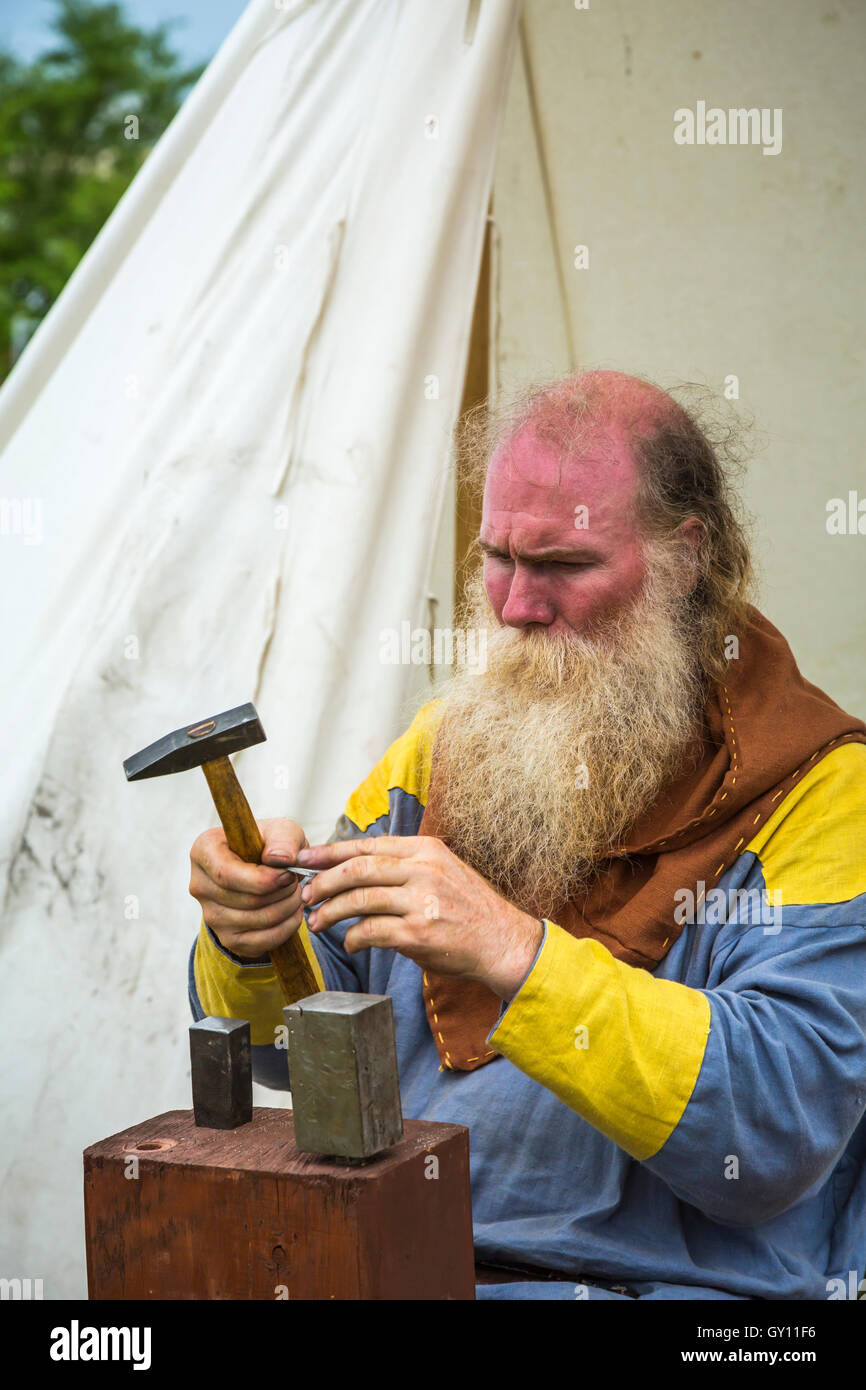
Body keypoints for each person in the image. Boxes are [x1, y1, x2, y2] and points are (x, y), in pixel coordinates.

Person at [188, 370, 866, 1300]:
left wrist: (517, 953)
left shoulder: (827, 791)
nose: (515, 605)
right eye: (497, 557)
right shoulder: (443, 751)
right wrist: (249, 935)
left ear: (687, 554)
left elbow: (776, 1135)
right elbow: (288, 1059)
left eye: (564, 566)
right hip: (404, 1268)